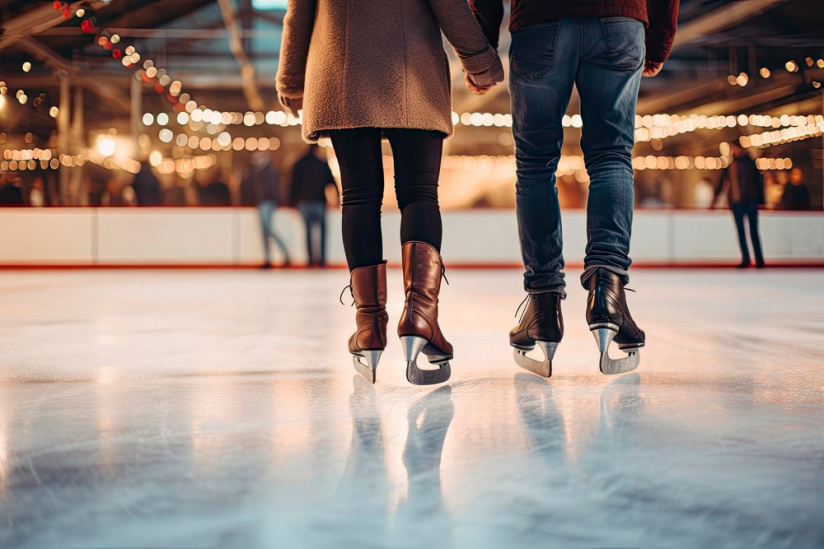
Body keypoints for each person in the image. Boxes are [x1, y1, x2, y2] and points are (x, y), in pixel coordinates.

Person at [277, 0, 503, 385]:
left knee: (359, 196)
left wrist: (292, 80)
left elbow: (299, 11)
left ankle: (369, 326)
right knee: (418, 193)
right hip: (411, 68)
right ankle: (421, 315)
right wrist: (479, 60)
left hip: (342, 68)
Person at [470, 0, 678, 376]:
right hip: (619, 19)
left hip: (540, 21)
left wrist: (481, 46)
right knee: (612, 156)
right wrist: (659, 35)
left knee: (535, 165)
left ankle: (543, 305)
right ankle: (608, 292)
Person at [713, 142, 765, 268]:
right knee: (741, 232)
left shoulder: (749, 163)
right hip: (737, 203)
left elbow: (758, 183)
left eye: (734, 148)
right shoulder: (731, 164)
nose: (733, 150)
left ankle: (759, 259)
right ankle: (746, 258)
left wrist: (761, 200)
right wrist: (715, 198)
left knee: (753, 231)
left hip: (750, 202)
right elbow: (722, 182)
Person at [289, 144, 339, 267]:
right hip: (319, 201)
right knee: (322, 232)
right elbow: (331, 182)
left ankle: (311, 260)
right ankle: (322, 260)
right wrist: (337, 198)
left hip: (304, 202)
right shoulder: (321, 163)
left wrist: (292, 201)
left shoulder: (299, 163)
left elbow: (293, 184)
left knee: (308, 232)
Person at [242, 152, 290, 268]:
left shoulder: (269, 171)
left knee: (268, 230)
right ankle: (268, 259)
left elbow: (272, 188)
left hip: (267, 203)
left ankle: (284, 254)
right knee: (264, 232)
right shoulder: (259, 172)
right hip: (263, 202)